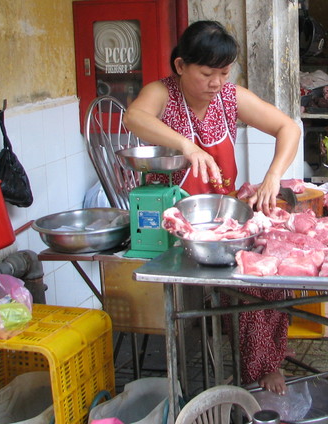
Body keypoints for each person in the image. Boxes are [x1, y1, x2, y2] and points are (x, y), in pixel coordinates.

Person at [123, 20, 301, 394]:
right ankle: (213, 361)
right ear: (180, 66)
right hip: (176, 225)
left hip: (224, 220)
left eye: (223, 72)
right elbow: (134, 117)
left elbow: (289, 128)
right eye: (207, 73)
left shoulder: (230, 98)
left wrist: (272, 177)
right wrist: (187, 147)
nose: (217, 82)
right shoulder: (162, 93)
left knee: (265, 280)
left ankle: (263, 366)